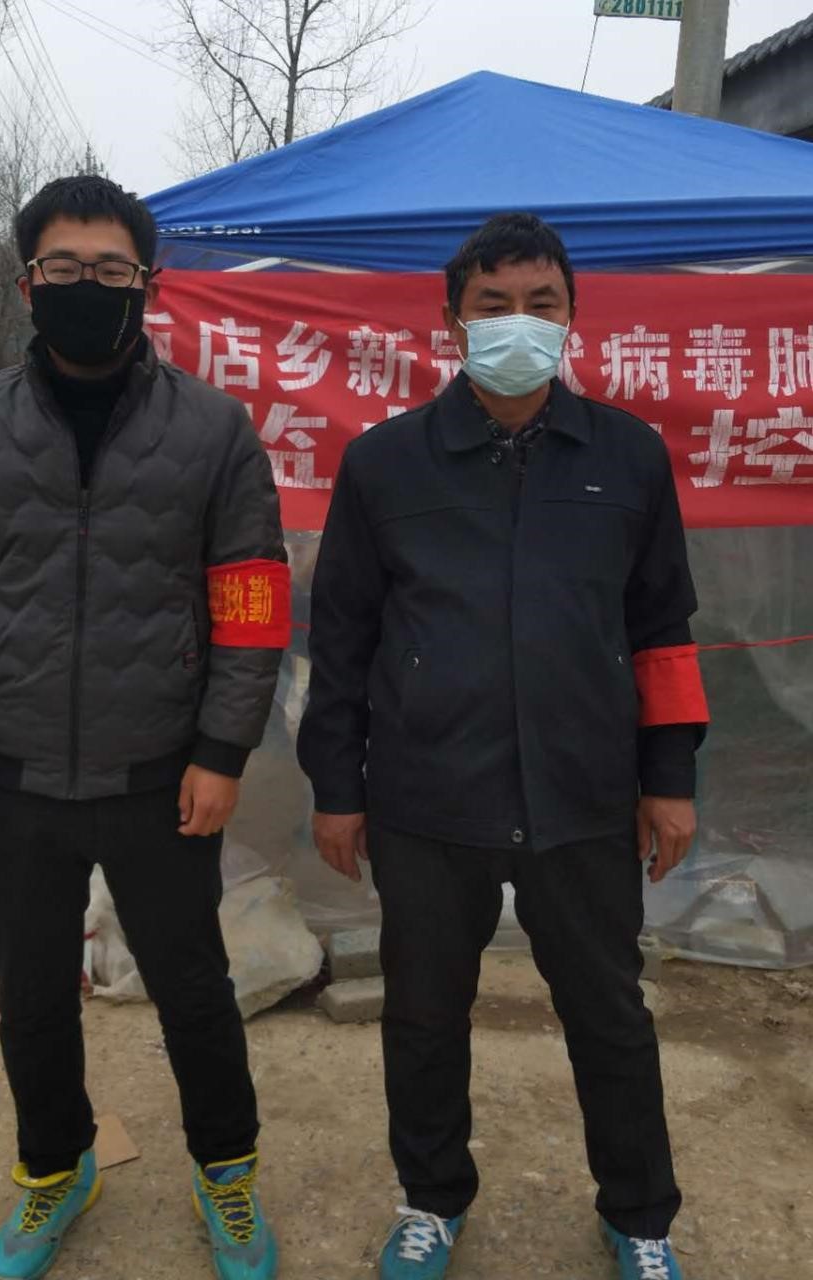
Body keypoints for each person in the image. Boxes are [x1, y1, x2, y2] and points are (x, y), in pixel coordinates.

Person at [0, 175, 288, 1280]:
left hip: (160, 772)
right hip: (11, 772)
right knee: (28, 1000)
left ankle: (226, 1170)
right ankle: (56, 1164)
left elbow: (250, 601)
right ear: (28, 283)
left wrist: (220, 751)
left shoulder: (212, 428)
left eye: (110, 269)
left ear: (145, 285)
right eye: (63, 267)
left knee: (194, 991)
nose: (86, 285)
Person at [298, 212, 708, 1280]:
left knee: (608, 1014)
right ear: (452, 322)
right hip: (429, 798)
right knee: (424, 1015)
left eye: (540, 304)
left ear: (571, 318)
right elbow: (339, 642)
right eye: (492, 305)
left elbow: (663, 628)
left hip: (582, 794)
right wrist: (336, 786)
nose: (516, 323)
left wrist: (667, 776)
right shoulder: (386, 462)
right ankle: (431, 1200)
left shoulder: (626, 455)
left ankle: (640, 1215)